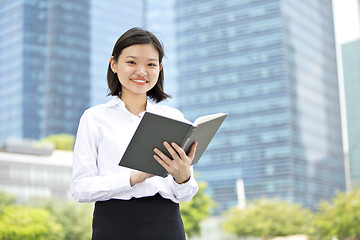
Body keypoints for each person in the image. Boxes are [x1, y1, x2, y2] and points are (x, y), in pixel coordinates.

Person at [70, 27, 199, 240]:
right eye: (131, 62)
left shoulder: (173, 117)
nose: (142, 71)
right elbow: (80, 189)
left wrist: (182, 175)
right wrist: (133, 178)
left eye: (151, 64)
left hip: (167, 225)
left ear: (160, 69)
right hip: (114, 224)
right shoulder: (94, 118)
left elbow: (185, 194)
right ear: (114, 64)